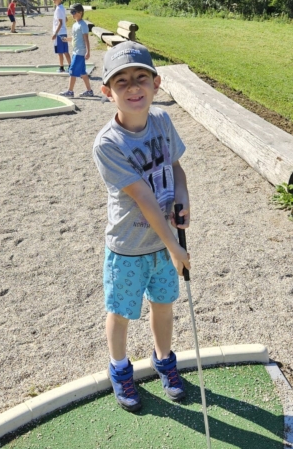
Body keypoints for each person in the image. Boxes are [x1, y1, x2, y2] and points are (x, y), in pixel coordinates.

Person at [93, 41, 191, 412]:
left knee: (163, 306)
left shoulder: (163, 121)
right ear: (107, 92)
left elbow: (176, 167)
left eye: (141, 78)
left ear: (156, 83)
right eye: (122, 82)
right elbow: (145, 200)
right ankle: (120, 370)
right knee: (121, 312)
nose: (133, 88)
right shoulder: (108, 144)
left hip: (164, 241)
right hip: (129, 246)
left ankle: (163, 361)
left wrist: (183, 198)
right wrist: (175, 247)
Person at [59, 3, 93, 98]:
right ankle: (89, 91)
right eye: (71, 12)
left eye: (73, 12)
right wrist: (67, 39)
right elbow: (75, 38)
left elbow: (86, 39)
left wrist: (88, 52)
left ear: (80, 12)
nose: (72, 14)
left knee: (72, 70)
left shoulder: (83, 25)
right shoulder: (75, 25)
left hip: (80, 52)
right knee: (83, 72)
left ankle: (70, 91)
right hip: (75, 51)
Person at [51, 0, 71, 73]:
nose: (54, 0)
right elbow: (66, 19)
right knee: (64, 51)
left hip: (59, 33)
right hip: (63, 32)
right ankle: (68, 66)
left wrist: (55, 33)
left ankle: (63, 67)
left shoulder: (59, 9)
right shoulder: (62, 8)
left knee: (61, 52)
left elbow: (61, 22)